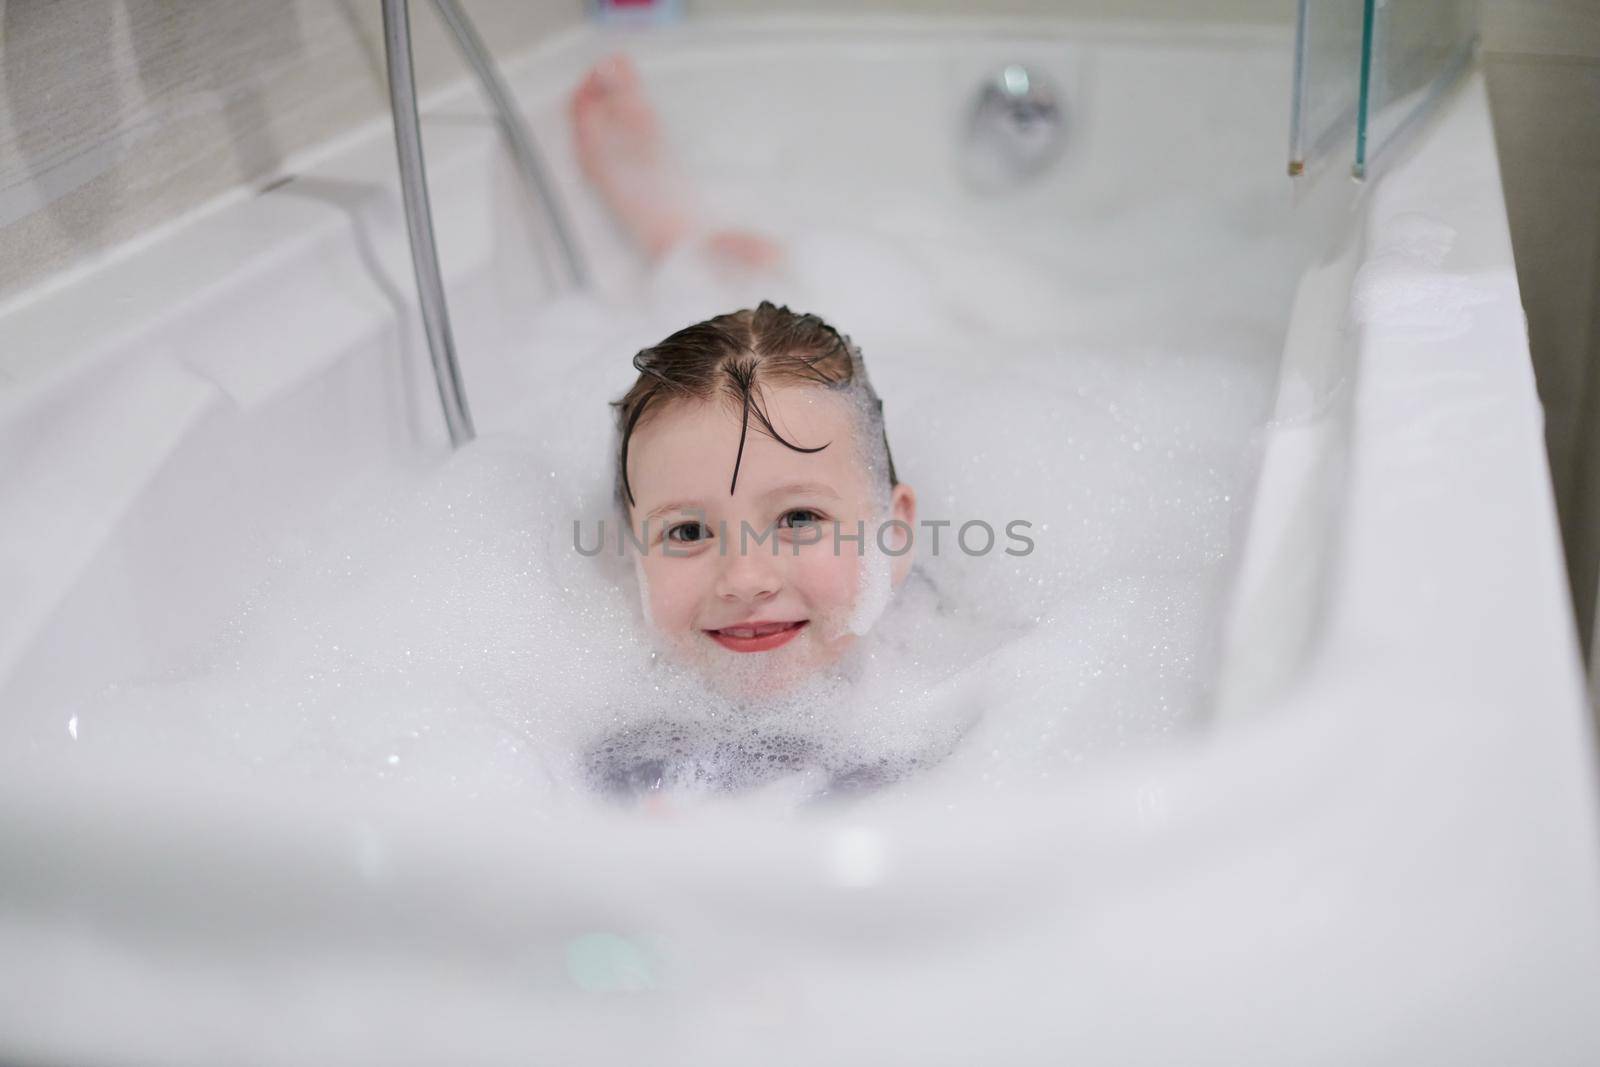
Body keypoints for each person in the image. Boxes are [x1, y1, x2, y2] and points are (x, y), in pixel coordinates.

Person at [573, 55, 919, 690]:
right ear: (632, 556)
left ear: (893, 537)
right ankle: (687, 248)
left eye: (798, 520)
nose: (745, 580)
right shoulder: (599, 710)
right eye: (688, 530)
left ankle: (692, 247)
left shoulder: (970, 676)